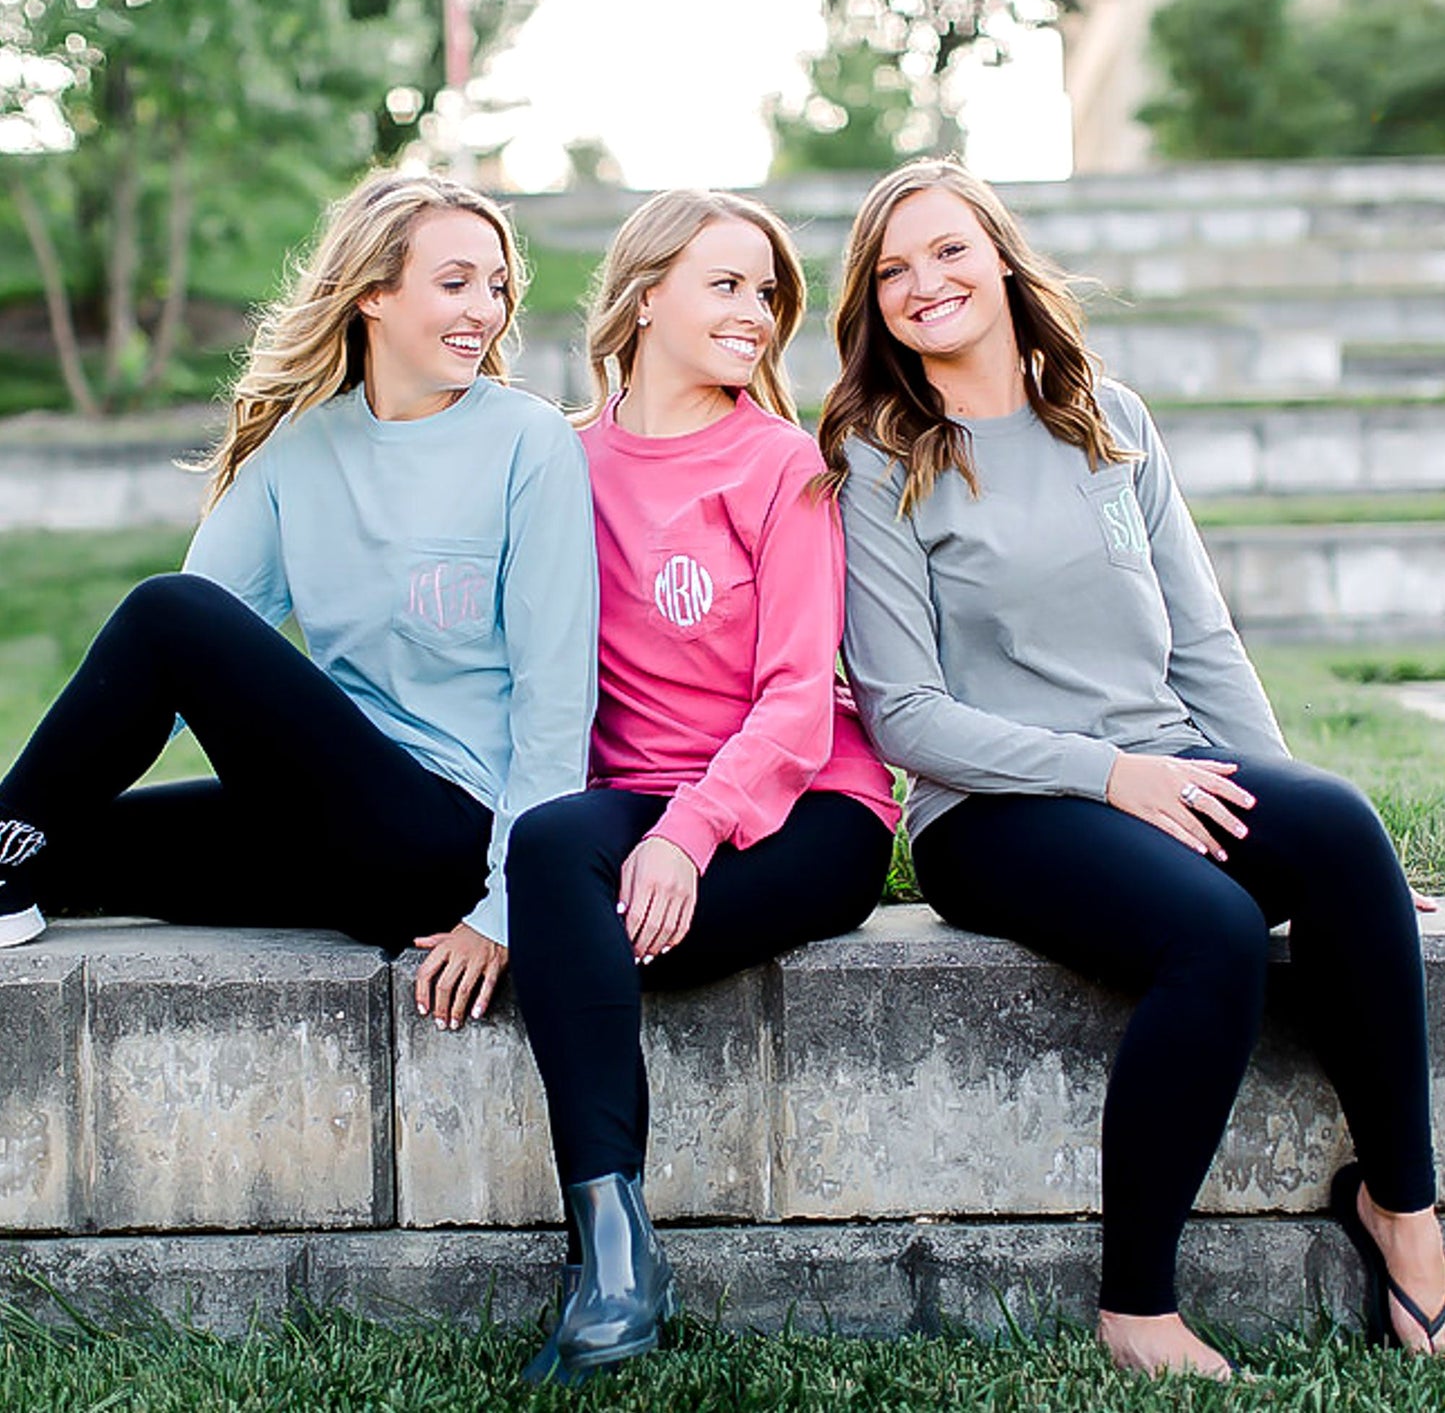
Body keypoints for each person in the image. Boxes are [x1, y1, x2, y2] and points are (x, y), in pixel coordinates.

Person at [823, 158, 1445, 1379]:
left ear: (999, 257)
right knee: (1208, 931)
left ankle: (1403, 1214)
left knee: (1341, 828)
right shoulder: (877, 451)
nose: (921, 283)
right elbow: (905, 715)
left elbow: (1201, 639)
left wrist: (1293, 819)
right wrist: (1110, 773)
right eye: (891, 270)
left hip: (1157, 762)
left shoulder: (1106, 415)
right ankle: (1136, 1303)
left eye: (946, 251)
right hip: (990, 810)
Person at [0, 170, 597, 1031]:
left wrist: (505, 910)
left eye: (497, 285)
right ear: (373, 296)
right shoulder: (302, 447)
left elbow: (556, 700)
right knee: (67, 839)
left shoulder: (528, 443)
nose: (486, 309)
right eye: (455, 282)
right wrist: (71, 780)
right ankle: (12, 850)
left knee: (169, 609)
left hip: (444, 840)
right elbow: (173, 675)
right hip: (321, 823)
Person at [506, 188, 899, 1382]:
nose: (758, 311)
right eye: (724, 283)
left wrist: (686, 835)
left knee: (573, 924)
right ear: (643, 296)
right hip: (637, 802)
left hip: (804, 812)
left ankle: (611, 1271)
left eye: (766, 290)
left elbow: (793, 699)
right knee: (543, 855)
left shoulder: (782, 464)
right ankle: (617, 1249)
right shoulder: (558, 461)